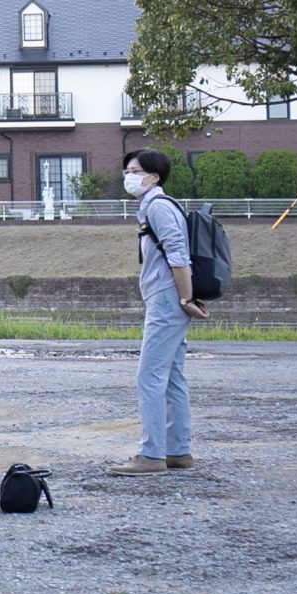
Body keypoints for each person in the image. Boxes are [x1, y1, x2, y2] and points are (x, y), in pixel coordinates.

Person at [112, 148, 210, 475]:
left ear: (154, 176)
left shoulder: (157, 207)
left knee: (149, 375)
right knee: (172, 376)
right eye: (127, 170)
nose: (129, 177)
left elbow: (178, 255)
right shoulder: (155, 206)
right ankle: (177, 451)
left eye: (135, 171)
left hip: (168, 298)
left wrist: (185, 299)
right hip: (169, 296)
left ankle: (151, 454)